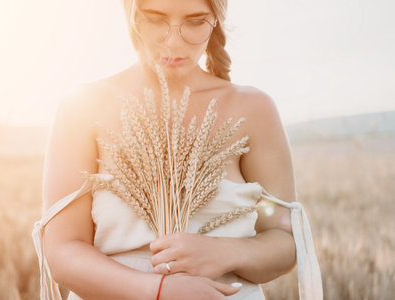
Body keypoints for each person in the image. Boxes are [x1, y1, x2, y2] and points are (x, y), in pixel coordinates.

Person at [32, 0, 322, 299]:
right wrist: (159, 290)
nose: (173, 41)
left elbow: (285, 242)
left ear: (216, 20)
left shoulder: (253, 108)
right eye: (155, 19)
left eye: (195, 22)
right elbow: (62, 252)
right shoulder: (83, 106)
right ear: (130, 14)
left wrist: (227, 252)